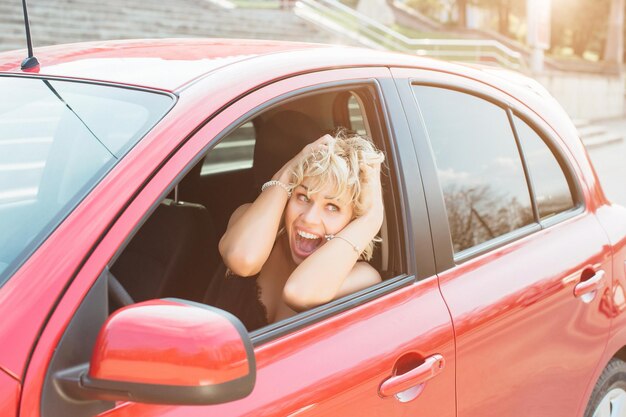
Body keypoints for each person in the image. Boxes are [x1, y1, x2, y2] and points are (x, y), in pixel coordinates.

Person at [212, 130, 385, 330]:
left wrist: (372, 218)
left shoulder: (364, 277)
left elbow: (298, 294)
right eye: (303, 196)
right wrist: (285, 174)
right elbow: (243, 261)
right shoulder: (247, 219)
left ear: (353, 220)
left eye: (332, 207)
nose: (309, 218)